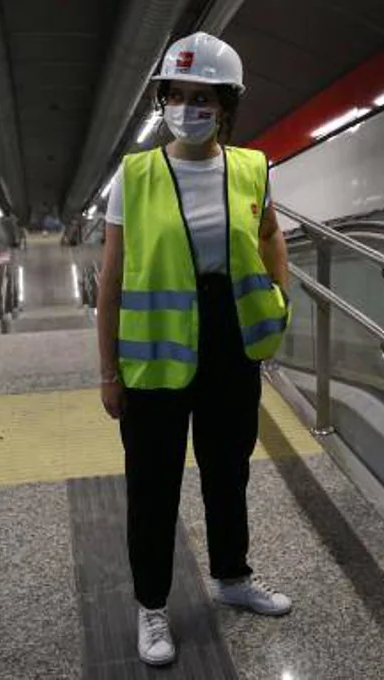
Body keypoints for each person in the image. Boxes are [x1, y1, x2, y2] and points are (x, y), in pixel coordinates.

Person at [95, 33, 293, 666]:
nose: (188, 107)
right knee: (152, 484)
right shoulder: (135, 174)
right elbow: (111, 277)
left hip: (230, 343)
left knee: (227, 468)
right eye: (176, 96)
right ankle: (151, 607)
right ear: (162, 101)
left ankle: (232, 578)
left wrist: (276, 308)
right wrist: (107, 371)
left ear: (226, 105)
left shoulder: (252, 167)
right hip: (154, 352)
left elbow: (270, 238)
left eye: (202, 97)